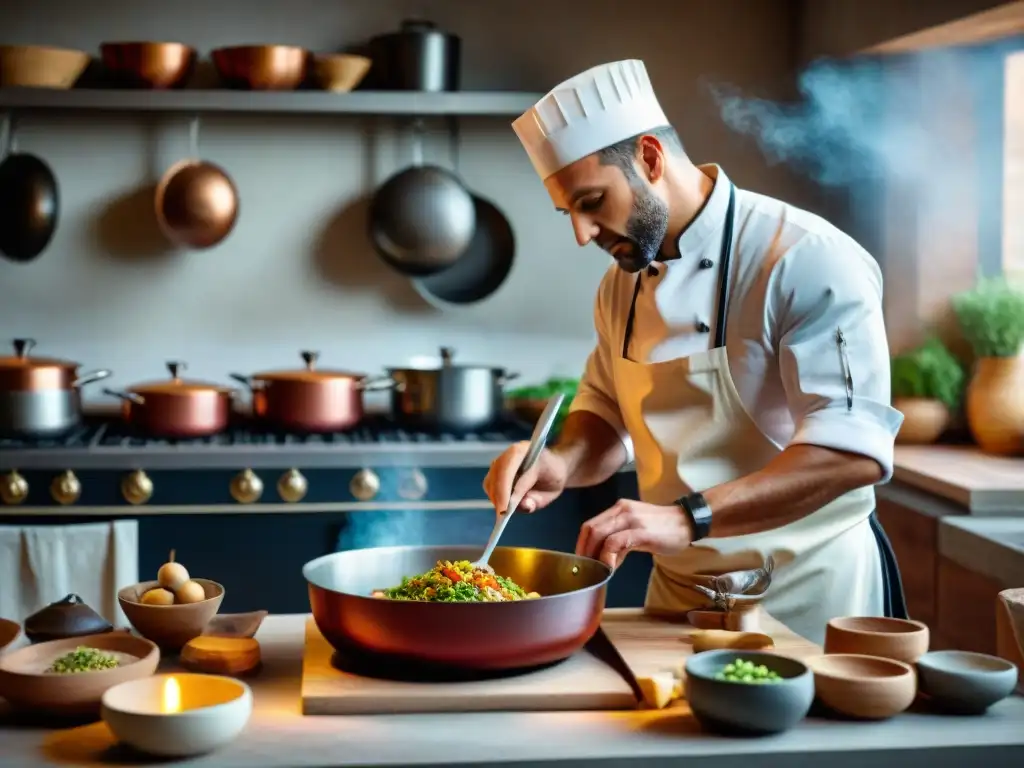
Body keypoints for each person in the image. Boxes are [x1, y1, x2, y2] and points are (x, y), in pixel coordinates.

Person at [484, 59, 907, 644]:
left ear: (651, 159)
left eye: (591, 202)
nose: (582, 234)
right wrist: (559, 464)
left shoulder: (805, 258)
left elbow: (850, 453)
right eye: (569, 214)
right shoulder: (621, 282)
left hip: (807, 593)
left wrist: (687, 518)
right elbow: (604, 413)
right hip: (680, 601)